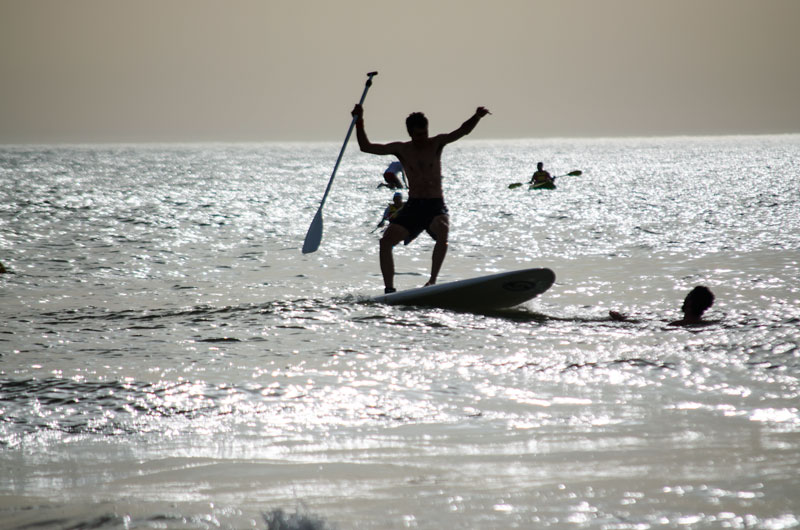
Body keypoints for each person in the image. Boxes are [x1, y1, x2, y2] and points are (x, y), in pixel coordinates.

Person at [351, 102, 491, 293]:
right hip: (414, 206)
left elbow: (462, 131)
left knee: (443, 229)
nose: (422, 138)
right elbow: (366, 147)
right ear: (410, 133)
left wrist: (476, 117)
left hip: (435, 205)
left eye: (424, 133)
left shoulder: (436, 143)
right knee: (385, 242)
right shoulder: (401, 149)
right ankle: (389, 290)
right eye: (418, 135)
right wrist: (359, 121)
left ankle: (432, 281)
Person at [609, 285, 716, 326]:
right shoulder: (707, 323)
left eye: (687, 297)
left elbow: (648, 326)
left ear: (689, 303)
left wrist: (622, 321)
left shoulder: (676, 325)